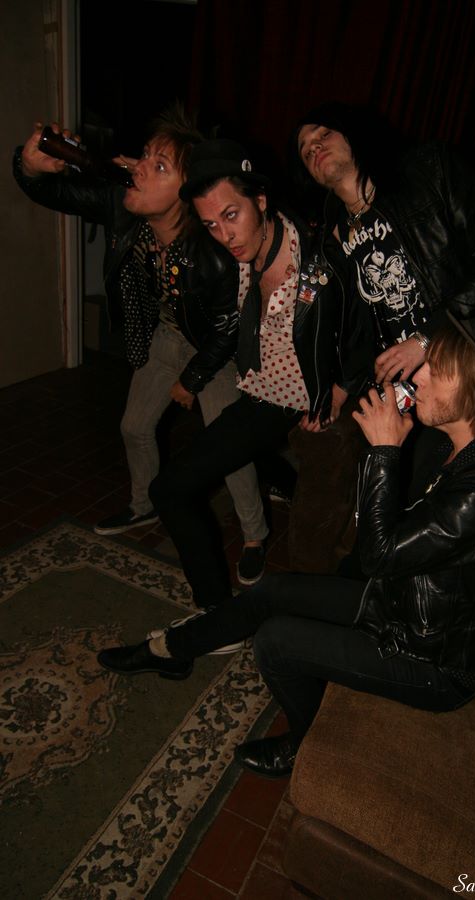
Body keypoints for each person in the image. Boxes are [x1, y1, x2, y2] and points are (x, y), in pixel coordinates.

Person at [98, 307, 475, 778]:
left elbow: (379, 556)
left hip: (433, 661)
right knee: (271, 590)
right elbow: (387, 543)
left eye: (439, 370)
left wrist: (385, 451)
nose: (418, 376)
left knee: (275, 641)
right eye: (427, 363)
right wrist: (385, 451)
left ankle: (307, 744)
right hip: (401, 607)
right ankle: (169, 651)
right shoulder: (450, 445)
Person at [13, 109, 269, 587]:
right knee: (134, 426)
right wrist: (29, 166)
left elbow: (227, 330)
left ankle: (255, 535)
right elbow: (54, 192)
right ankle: (144, 504)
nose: (139, 167)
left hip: (215, 351)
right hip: (168, 334)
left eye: (159, 165)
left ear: (186, 193)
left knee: (226, 448)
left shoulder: (213, 252)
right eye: (145, 156)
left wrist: (191, 380)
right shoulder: (122, 204)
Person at [137, 138, 368, 610]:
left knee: (312, 543)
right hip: (263, 395)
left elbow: (367, 326)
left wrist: (341, 390)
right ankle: (214, 609)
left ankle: (288, 608)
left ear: (260, 201)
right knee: (169, 488)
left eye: (231, 215)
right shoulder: (232, 254)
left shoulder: (318, 257)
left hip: (309, 399)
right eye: (211, 224)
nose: (225, 234)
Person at [293, 101, 475, 385]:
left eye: (324, 134)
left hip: (466, 362)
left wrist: (428, 337)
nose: (314, 147)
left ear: (351, 132)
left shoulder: (428, 169)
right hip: (405, 385)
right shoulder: (330, 240)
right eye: (306, 151)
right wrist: (345, 385)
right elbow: (357, 327)